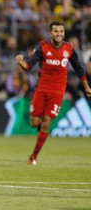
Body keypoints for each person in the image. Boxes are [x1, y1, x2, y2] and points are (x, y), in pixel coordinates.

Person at [15, 21, 91, 165]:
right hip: (41, 89)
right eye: (56, 31)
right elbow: (29, 64)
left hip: (57, 92)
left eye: (61, 31)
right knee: (34, 123)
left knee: (46, 123)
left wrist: (87, 87)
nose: (59, 34)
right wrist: (21, 62)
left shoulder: (69, 49)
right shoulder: (43, 47)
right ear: (50, 33)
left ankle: (33, 156)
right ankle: (39, 129)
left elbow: (79, 68)